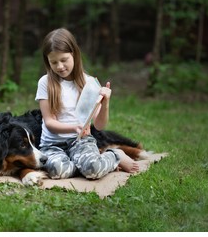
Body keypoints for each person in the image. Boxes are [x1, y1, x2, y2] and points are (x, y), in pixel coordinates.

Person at [35, 28, 139, 179]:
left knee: (93, 170)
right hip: (52, 145)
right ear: (47, 61)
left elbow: (99, 126)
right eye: (54, 62)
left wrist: (105, 103)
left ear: (74, 55)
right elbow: (50, 122)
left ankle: (115, 155)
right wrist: (74, 128)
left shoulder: (89, 83)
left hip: (81, 142)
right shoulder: (45, 82)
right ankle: (84, 165)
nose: (59, 66)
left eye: (64, 60)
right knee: (55, 170)